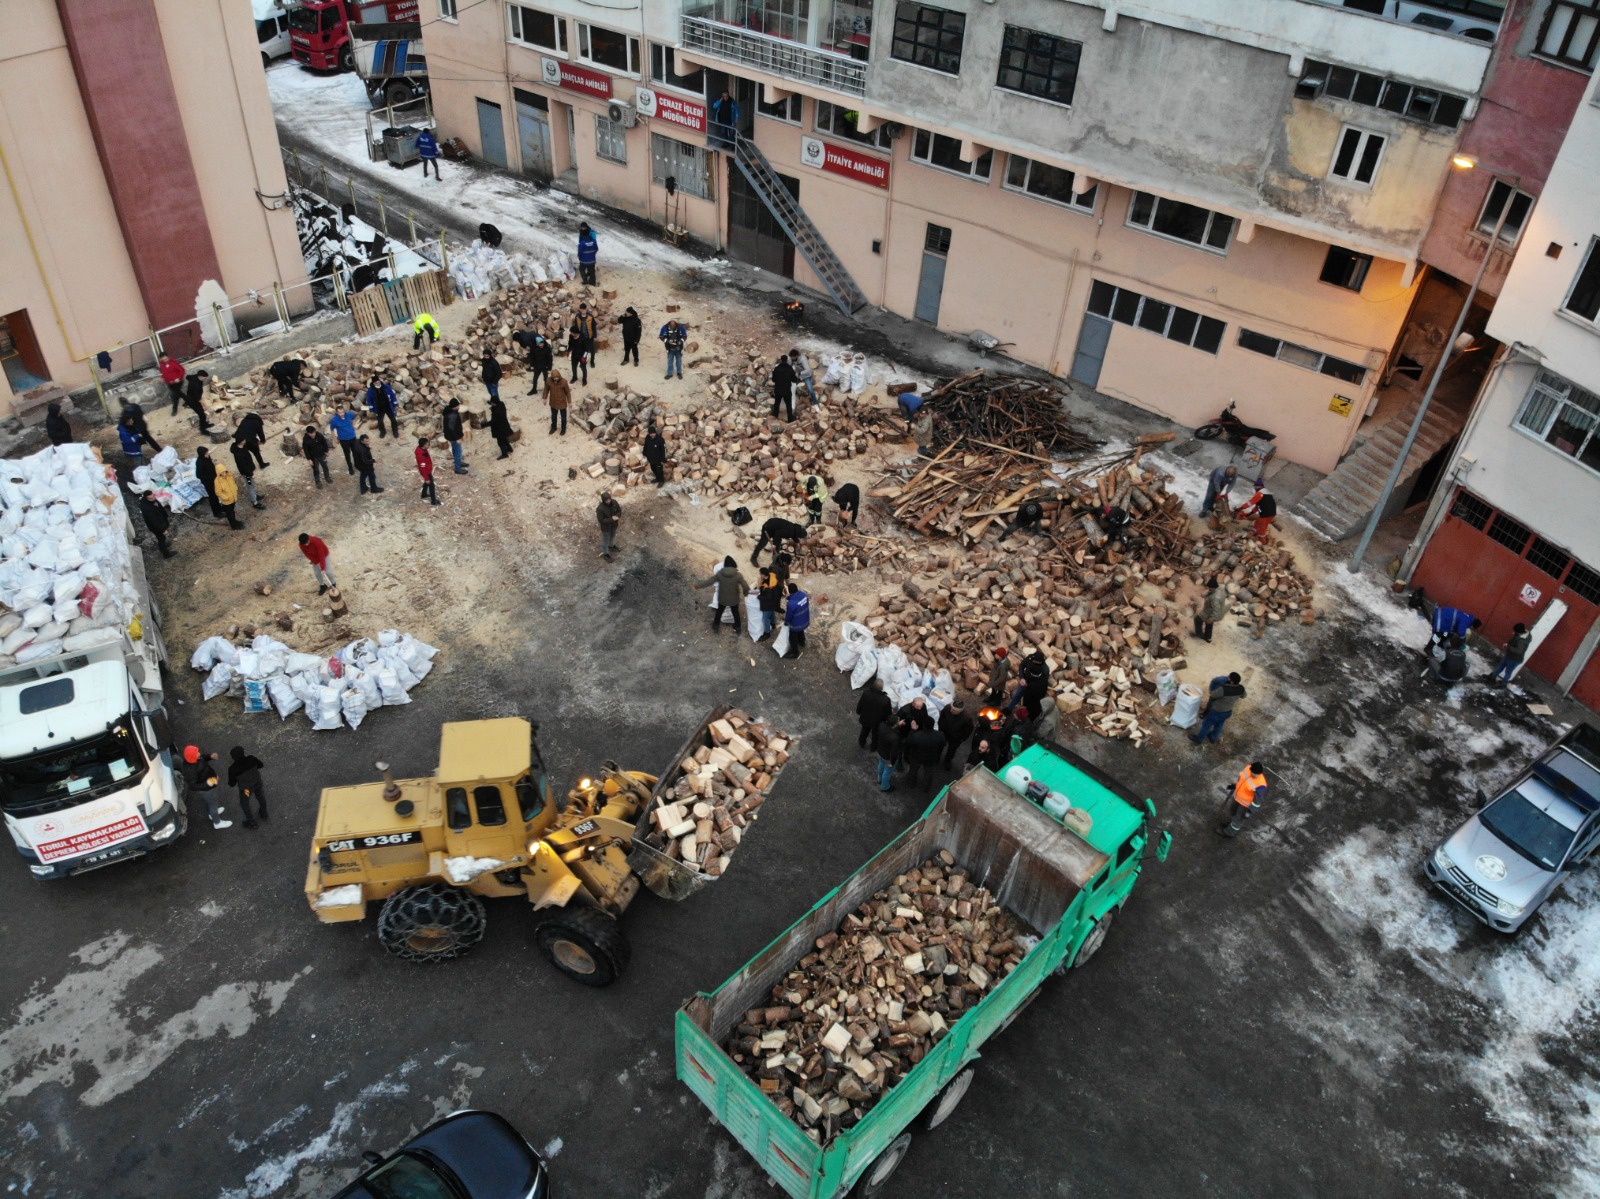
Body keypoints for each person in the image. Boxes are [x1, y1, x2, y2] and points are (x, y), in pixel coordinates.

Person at [694, 555, 748, 631]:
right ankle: (738, 628)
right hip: (733, 599)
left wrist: (697, 586)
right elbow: (744, 586)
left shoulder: (720, 574)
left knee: (719, 612)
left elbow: (709, 582)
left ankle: (715, 626)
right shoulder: (737, 575)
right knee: (735, 613)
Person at [1190, 672, 1246, 745]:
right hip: (1228, 712)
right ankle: (1213, 738)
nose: (1227, 678)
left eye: (1229, 678)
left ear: (1231, 681)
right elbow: (1244, 696)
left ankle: (1199, 739)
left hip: (1217, 711)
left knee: (1206, 724)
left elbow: (1213, 695)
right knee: (1219, 724)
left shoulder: (1225, 689)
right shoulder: (1241, 688)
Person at [183, 746, 230, 830]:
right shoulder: (190, 771)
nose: (199, 754)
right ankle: (217, 822)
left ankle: (211, 814)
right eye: (196, 753)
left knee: (210, 803)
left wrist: (210, 757)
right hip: (206, 790)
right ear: (192, 757)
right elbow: (193, 786)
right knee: (213, 804)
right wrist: (207, 783)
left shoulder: (193, 759)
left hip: (209, 785)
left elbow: (202, 758)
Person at [1218, 762, 1268, 838]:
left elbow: (1258, 800)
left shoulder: (1261, 784)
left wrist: (1250, 811)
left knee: (1238, 819)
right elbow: (1240, 779)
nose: (1255, 775)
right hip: (1237, 797)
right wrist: (1234, 786)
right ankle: (1228, 824)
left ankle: (1229, 833)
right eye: (1254, 773)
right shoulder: (1247, 769)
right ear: (1251, 769)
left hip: (1245, 805)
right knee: (1231, 811)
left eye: (1257, 774)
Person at [228, 746, 268, 829]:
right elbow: (261, 765)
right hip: (257, 782)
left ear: (233, 757)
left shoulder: (232, 769)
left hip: (246, 789)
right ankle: (264, 813)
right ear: (243, 752)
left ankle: (251, 822)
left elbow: (231, 784)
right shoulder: (251, 758)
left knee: (244, 803)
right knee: (260, 796)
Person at [905, 721, 944, 792]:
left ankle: (911, 783)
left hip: (916, 756)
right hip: (931, 758)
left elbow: (909, 742)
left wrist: (913, 730)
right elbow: (943, 744)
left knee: (914, 770)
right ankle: (926, 787)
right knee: (928, 772)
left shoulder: (917, 735)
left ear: (923, 726)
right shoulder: (940, 735)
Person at [856, 678, 893, 750]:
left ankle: (861, 743)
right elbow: (888, 712)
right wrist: (886, 720)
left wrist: (858, 711)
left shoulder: (866, 693)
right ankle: (873, 747)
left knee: (864, 731)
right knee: (875, 734)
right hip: (877, 721)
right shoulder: (886, 699)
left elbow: (861, 704)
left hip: (866, 717)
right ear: (882, 688)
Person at [138, 493, 176, 559]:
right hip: (156, 527)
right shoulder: (147, 508)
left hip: (158, 523)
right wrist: (163, 530)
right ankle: (166, 554)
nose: (153, 499)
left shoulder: (150, 501)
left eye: (153, 497)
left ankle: (163, 546)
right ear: (146, 498)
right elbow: (154, 521)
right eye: (151, 498)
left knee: (161, 538)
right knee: (161, 538)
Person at [231, 436, 265, 509]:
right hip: (247, 474)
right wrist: (250, 474)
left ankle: (255, 496)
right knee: (250, 486)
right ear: (240, 442)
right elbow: (243, 466)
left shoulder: (243, 447)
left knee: (252, 485)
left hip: (249, 471)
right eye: (244, 439)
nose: (245, 440)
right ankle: (255, 502)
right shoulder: (238, 454)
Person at [940, 700, 975, 770]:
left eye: (954, 710)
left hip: (955, 738)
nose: (951, 710)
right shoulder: (947, 708)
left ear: (960, 711)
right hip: (944, 733)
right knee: (939, 745)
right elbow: (941, 718)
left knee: (951, 751)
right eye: (951, 708)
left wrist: (962, 739)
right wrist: (940, 728)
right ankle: (936, 757)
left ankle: (947, 761)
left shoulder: (967, 718)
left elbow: (969, 730)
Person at [756, 561, 786, 641]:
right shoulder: (772, 577)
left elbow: (768, 597)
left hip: (769, 603)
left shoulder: (767, 586)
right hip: (775, 600)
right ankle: (773, 624)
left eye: (760, 574)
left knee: (765, 618)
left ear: (763, 574)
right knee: (772, 612)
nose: (760, 575)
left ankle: (767, 633)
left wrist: (759, 597)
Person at [1195, 576, 1228, 642]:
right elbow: (1212, 592)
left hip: (1212, 611)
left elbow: (1216, 610)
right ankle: (1208, 637)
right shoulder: (1220, 589)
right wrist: (1207, 594)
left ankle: (1200, 635)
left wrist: (1211, 619)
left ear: (1213, 587)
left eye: (1210, 588)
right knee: (1208, 623)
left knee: (1198, 619)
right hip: (1219, 610)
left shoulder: (1214, 598)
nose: (1208, 589)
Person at [782, 581, 810, 659]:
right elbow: (797, 599)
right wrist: (789, 597)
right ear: (797, 589)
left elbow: (788, 616)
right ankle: (802, 642)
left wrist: (786, 623)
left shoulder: (791, 604)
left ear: (790, 592)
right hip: (805, 619)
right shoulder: (804, 595)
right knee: (800, 631)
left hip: (796, 624)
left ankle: (795, 653)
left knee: (792, 637)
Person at [366, 374, 399, 438]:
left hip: (388, 406)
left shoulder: (386, 386)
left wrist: (395, 405)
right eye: (376, 382)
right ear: (373, 383)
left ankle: (395, 431)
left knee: (393, 419)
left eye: (378, 382)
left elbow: (392, 396)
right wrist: (372, 410)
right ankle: (382, 432)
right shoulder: (371, 390)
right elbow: (370, 401)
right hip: (379, 408)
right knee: (380, 421)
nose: (378, 383)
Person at [875, 717, 904, 793]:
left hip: (881, 751)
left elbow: (889, 729)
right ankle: (885, 787)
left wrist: (897, 725)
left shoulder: (881, 726)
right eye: (898, 721)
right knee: (887, 772)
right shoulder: (895, 738)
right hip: (888, 757)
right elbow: (894, 752)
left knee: (881, 765)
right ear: (894, 724)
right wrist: (892, 762)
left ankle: (879, 779)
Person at [194, 446, 224, 518]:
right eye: (206, 453)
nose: (208, 454)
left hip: (214, 480)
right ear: (202, 454)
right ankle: (216, 512)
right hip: (208, 483)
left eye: (207, 453)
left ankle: (220, 508)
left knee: (217, 495)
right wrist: (210, 477)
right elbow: (198, 475)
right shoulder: (200, 463)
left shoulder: (206, 457)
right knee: (213, 497)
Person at [441, 399, 468, 474]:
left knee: (455, 450)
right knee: (458, 452)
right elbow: (451, 428)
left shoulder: (449, 411)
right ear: (454, 406)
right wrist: (457, 438)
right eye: (458, 405)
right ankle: (458, 469)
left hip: (450, 436)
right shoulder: (452, 415)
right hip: (454, 437)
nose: (459, 407)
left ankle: (458, 462)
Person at [213, 465, 244, 529]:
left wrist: (236, 489)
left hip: (233, 498)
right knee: (230, 514)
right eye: (222, 472)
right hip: (227, 501)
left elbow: (233, 483)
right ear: (219, 473)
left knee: (232, 511)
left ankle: (235, 522)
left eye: (225, 472)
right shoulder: (217, 481)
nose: (224, 474)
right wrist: (225, 497)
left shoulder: (229, 476)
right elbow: (218, 492)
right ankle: (234, 526)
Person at [330, 407, 359, 474]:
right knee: (347, 454)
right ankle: (350, 467)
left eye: (343, 412)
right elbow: (332, 430)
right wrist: (334, 439)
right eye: (340, 413)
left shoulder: (349, 415)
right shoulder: (334, 420)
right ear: (337, 413)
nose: (342, 414)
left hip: (352, 437)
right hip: (343, 440)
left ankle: (357, 465)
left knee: (355, 452)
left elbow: (357, 415)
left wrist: (354, 420)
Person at [302, 424, 332, 490]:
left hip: (322, 454)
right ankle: (318, 482)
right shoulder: (305, 440)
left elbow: (324, 442)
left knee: (325, 467)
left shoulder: (319, 435)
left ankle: (327, 477)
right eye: (311, 433)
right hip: (313, 457)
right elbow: (306, 450)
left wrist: (326, 450)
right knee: (316, 470)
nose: (313, 434)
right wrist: (309, 459)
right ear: (307, 433)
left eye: (314, 432)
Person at [771, 354, 797, 422]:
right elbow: (794, 380)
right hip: (787, 391)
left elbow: (773, 380)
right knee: (788, 405)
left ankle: (775, 417)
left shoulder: (776, 369)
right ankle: (790, 419)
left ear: (781, 360)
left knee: (777, 404)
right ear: (787, 360)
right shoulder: (790, 368)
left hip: (778, 390)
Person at [415, 437, 440, 506]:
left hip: (427, 470)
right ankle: (433, 501)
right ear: (424, 445)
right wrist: (426, 478)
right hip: (426, 472)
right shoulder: (421, 455)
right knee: (431, 485)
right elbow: (423, 468)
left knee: (427, 483)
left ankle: (424, 494)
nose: (428, 445)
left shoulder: (422, 449)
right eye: (427, 444)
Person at [597, 491, 621, 561]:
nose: (608, 501)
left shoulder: (614, 503)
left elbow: (619, 511)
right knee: (606, 540)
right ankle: (605, 554)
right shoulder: (600, 508)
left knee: (613, 536)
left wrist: (617, 516)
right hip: (606, 528)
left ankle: (611, 546)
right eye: (606, 500)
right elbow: (601, 520)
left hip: (614, 525)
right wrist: (611, 519)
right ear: (603, 500)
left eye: (609, 499)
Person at [545, 368, 570, 436]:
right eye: (554, 377)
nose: (556, 378)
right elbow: (546, 389)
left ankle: (563, 428)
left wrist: (569, 402)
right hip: (553, 402)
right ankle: (553, 427)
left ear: (559, 376)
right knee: (553, 416)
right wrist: (544, 398)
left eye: (557, 377)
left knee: (563, 417)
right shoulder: (549, 380)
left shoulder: (564, 382)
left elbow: (567, 392)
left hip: (562, 402)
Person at [643, 421, 667, 486]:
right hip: (650, 457)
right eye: (650, 433)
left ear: (655, 433)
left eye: (653, 433)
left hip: (658, 458)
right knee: (653, 468)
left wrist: (663, 458)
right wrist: (644, 452)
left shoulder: (660, 439)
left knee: (659, 470)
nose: (652, 435)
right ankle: (657, 478)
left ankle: (661, 480)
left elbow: (663, 449)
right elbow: (646, 445)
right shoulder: (648, 437)